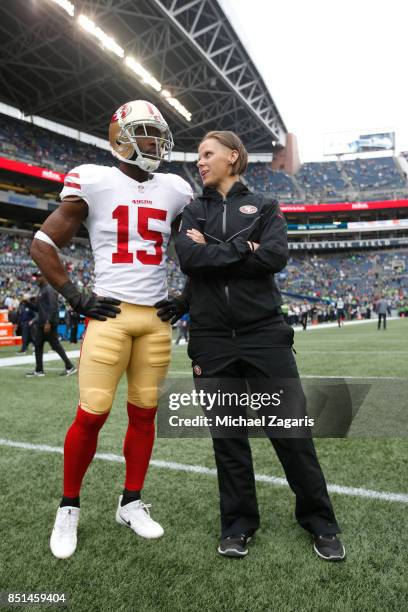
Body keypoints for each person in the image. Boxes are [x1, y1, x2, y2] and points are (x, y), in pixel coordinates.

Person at [30, 99, 193, 559]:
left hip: (156, 320)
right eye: (145, 132)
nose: (155, 142)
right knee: (92, 413)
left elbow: (197, 251)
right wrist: (76, 296)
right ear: (120, 137)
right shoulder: (94, 179)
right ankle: (68, 508)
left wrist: (186, 297)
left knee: (144, 414)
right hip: (111, 315)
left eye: (158, 133)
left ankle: (131, 501)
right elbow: (42, 244)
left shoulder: (177, 188)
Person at [173, 131, 344, 561]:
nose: (200, 162)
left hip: (265, 335)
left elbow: (273, 256)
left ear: (233, 156)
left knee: (292, 434)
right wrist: (238, 249)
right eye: (198, 156)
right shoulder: (192, 211)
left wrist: (214, 249)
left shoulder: (265, 206)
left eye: (207, 154)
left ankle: (320, 521)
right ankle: (238, 525)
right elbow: (188, 260)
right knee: (227, 439)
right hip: (211, 342)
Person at [25, 273, 77, 377]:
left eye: (39, 276)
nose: (37, 278)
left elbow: (53, 307)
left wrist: (48, 322)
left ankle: (70, 366)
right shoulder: (42, 290)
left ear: (44, 277)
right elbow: (39, 309)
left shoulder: (48, 289)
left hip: (48, 323)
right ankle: (39, 370)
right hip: (43, 322)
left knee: (55, 345)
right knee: (38, 345)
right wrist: (27, 303)